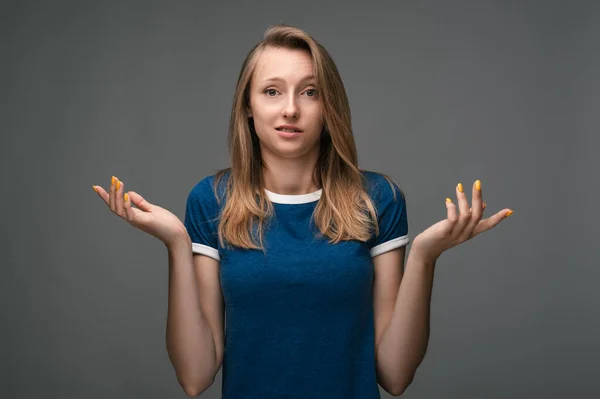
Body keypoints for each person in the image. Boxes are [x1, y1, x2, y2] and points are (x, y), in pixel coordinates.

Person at [93, 24, 513, 398]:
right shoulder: (211, 199)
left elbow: (395, 376)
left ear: (329, 108)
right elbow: (195, 377)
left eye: (309, 92)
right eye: (272, 91)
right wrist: (177, 243)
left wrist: (424, 255)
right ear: (248, 106)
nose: (290, 108)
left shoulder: (377, 197)